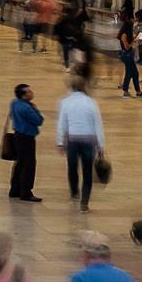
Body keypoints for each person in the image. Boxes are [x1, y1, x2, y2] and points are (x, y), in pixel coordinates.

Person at [55, 77, 104, 209]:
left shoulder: (65, 102)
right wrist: (101, 145)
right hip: (88, 141)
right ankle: (84, 203)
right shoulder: (91, 102)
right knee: (87, 171)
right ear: (84, 87)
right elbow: (97, 124)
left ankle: (74, 192)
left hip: (72, 140)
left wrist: (60, 142)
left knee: (72, 167)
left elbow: (62, 124)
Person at [3, 83, 42, 202]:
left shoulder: (14, 102)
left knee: (20, 163)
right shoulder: (26, 108)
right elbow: (38, 120)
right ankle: (26, 192)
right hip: (26, 138)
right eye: (29, 92)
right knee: (28, 165)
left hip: (17, 136)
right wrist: (36, 110)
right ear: (23, 96)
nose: (32, 93)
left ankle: (15, 189)